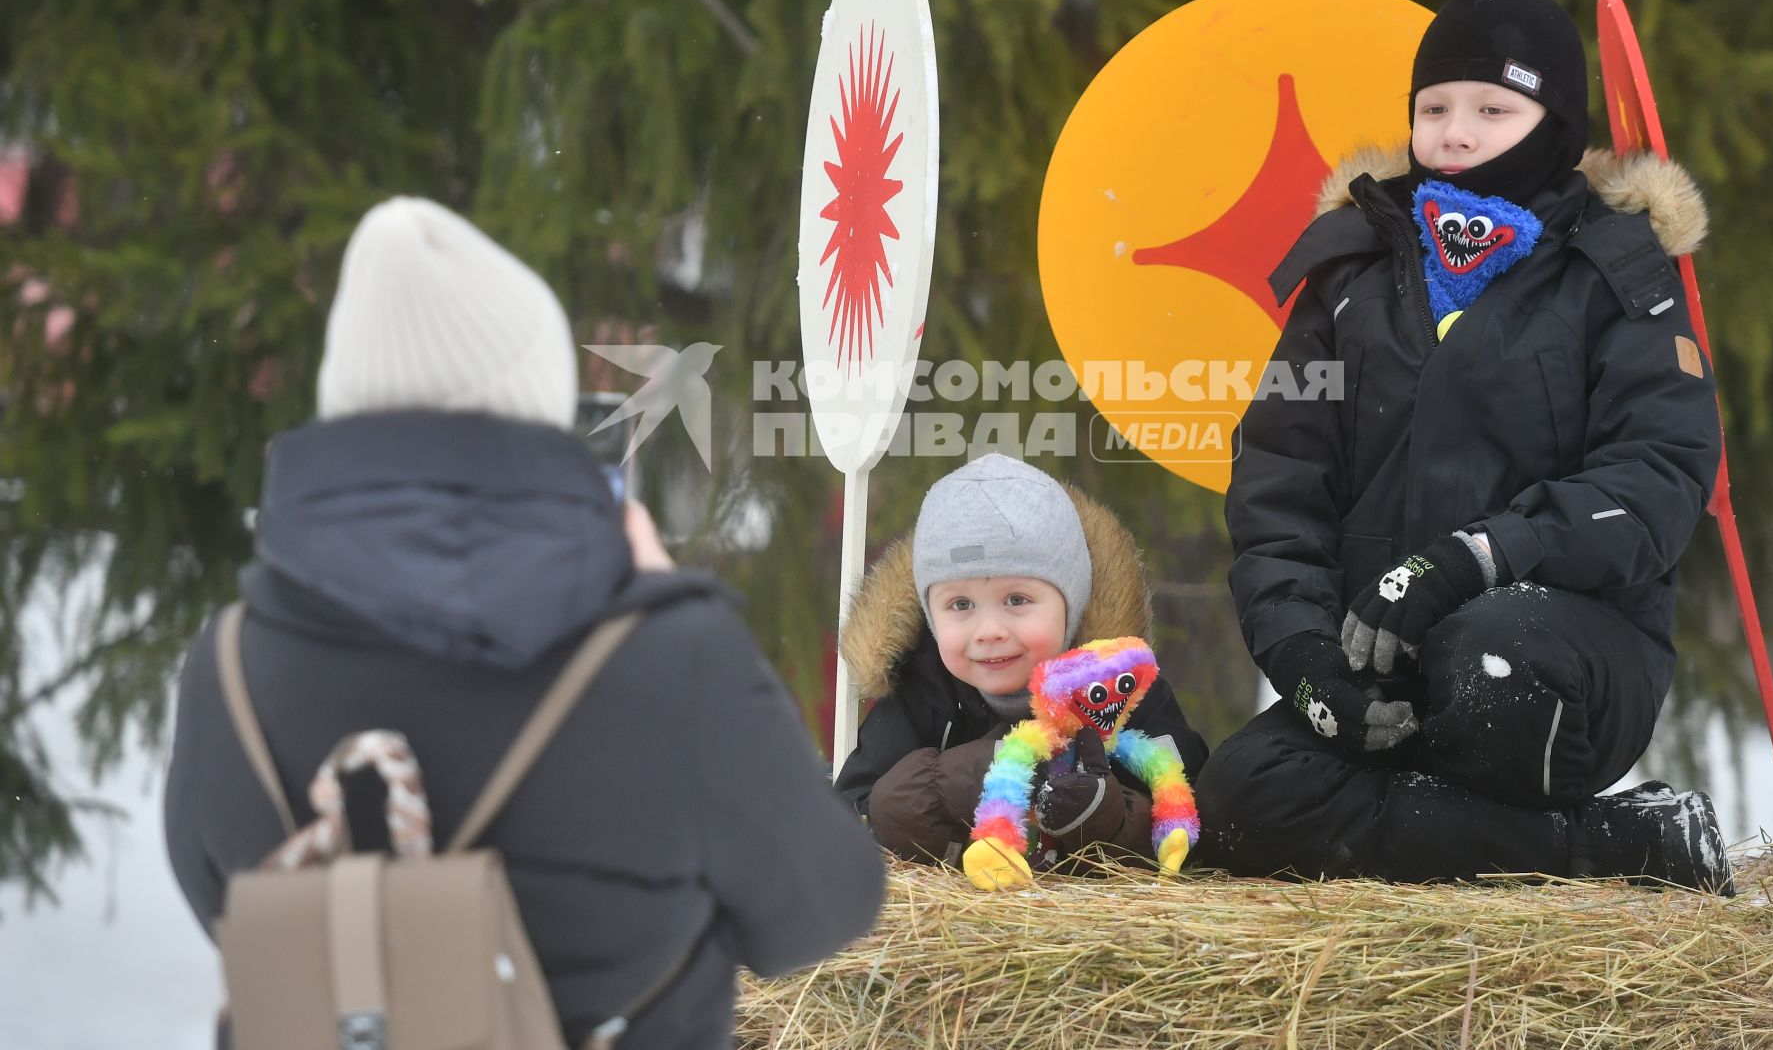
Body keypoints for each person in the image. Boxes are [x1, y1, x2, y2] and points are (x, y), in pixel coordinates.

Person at [163, 197, 885, 1049]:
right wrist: (661, 598)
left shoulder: (231, 668)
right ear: (536, 404)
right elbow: (825, 907)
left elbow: (224, 904)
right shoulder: (672, 662)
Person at [1197, 0, 1735, 892]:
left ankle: (1431, 815)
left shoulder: (1614, 272)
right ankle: (1605, 848)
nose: (1455, 132)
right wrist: (1305, 655)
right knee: (1239, 797)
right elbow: (1277, 485)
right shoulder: (1348, 271)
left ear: (1554, 122)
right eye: (1434, 107)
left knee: (1487, 660)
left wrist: (1481, 555)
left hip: (1561, 655)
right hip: (1383, 659)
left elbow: (1658, 477)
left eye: (1493, 108)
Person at [834, 452, 1208, 871]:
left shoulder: (1118, 686)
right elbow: (848, 821)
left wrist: (1107, 813)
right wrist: (950, 782)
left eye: (1017, 600)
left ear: (1072, 602)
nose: (988, 630)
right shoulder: (921, 691)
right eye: (960, 604)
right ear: (930, 616)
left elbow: (1189, 809)